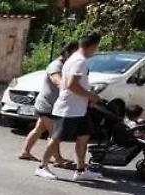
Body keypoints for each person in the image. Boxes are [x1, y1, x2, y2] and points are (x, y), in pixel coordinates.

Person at [35, 33, 102, 181]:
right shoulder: (79, 62)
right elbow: (72, 85)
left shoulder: (74, 59)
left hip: (79, 109)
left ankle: (80, 170)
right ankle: (42, 167)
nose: (96, 50)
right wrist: (92, 96)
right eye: (96, 47)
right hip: (68, 109)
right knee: (57, 138)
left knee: (84, 136)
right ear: (92, 46)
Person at [18, 41, 79, 168]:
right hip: (47, 105)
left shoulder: (67, 65)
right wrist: (67, 86)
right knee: (55, 133)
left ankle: (25, 152)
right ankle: (57, 158)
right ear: (67, 52)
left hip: (47, 104)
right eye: (74, 53)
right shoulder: (56, 65)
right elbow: (56, 79)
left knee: (39, 129)